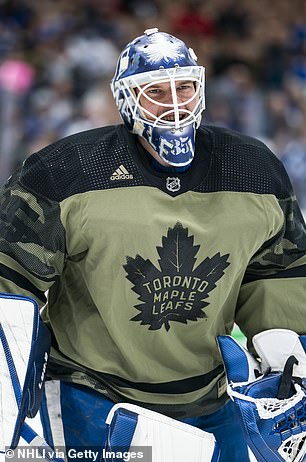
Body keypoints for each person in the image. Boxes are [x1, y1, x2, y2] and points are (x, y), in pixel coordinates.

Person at [0, 27, 306, 462]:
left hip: (213, 395)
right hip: (95, 394)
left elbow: (277, 264)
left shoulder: (253, 169)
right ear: (128, 100)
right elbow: (9, 276)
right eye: (155, 91)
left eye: (183, 86)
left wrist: (282, 338)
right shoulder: (66, 171)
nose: (175, 102)